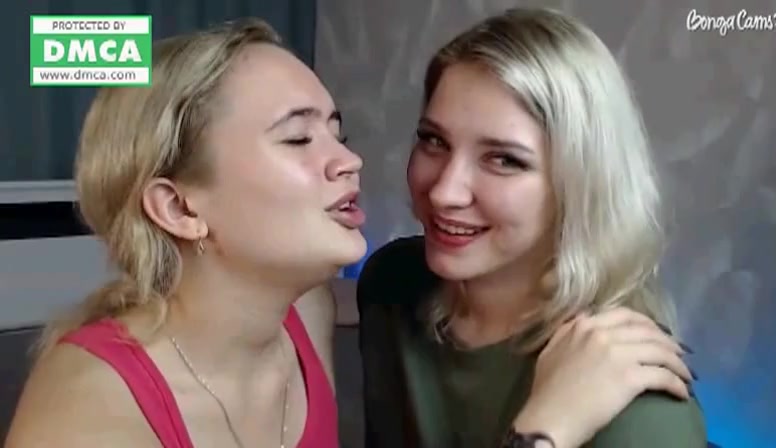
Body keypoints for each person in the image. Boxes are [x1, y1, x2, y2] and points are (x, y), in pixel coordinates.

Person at [6, 18, 366, 448]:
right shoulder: (85, 411)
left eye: (338, 134)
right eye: (298, 138)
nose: (349, 160)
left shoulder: (308, 311)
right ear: (178, 208)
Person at [357, 7, 707, 448]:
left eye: (504, 160)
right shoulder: (392, 285)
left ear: (581, 182)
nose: (445, 191)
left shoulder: (641, 409)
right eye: (434, 140)